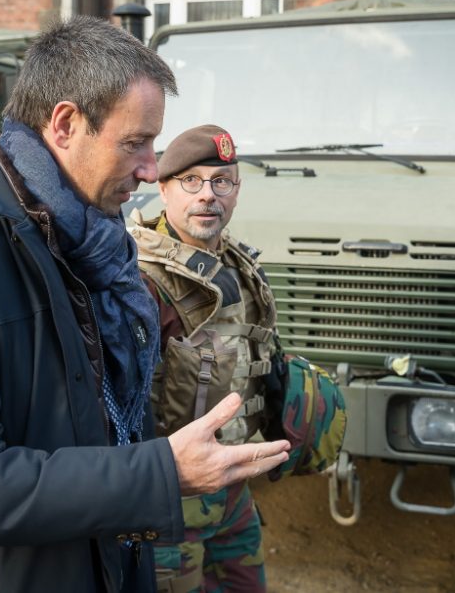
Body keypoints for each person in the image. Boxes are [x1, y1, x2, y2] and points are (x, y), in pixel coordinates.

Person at [0, 17, 291, 592]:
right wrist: (159, 473)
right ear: (64, 124)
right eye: (135, 143)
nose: (148, 169)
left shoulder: (95, 245)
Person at [130, 125, 347, 592]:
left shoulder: (239, 265)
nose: (207, 196)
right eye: (191, 181)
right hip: (168, 502)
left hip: (233, 490)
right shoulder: (136, 280)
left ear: (237, 190)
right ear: (162, 187)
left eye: (221, 181)